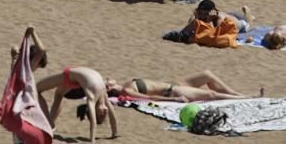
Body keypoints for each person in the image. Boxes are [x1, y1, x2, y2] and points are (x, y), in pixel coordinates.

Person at [36, 67, 118, 144]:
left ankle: (49, 123)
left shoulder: (101, 95)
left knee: (46, 91)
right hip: (69, 74)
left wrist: (114, 133)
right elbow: (93, 122)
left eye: (102, 115)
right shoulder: (96, 95)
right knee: (39, 89)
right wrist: (92, 141)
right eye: (103, 115)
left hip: (75, 76)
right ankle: (50, 123)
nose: (105, 112)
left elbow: (112, 116)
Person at [106, 71, 247, 102]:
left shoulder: (126, 84)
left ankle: (236, 94)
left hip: (175, 83)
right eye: (107, 82)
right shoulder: (126, 90)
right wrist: (174, 100)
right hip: (172, 91)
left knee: (207, 75)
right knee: (211, 96)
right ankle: (245, 98)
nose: (108, 79)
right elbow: (149, 97)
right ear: (110, 89)